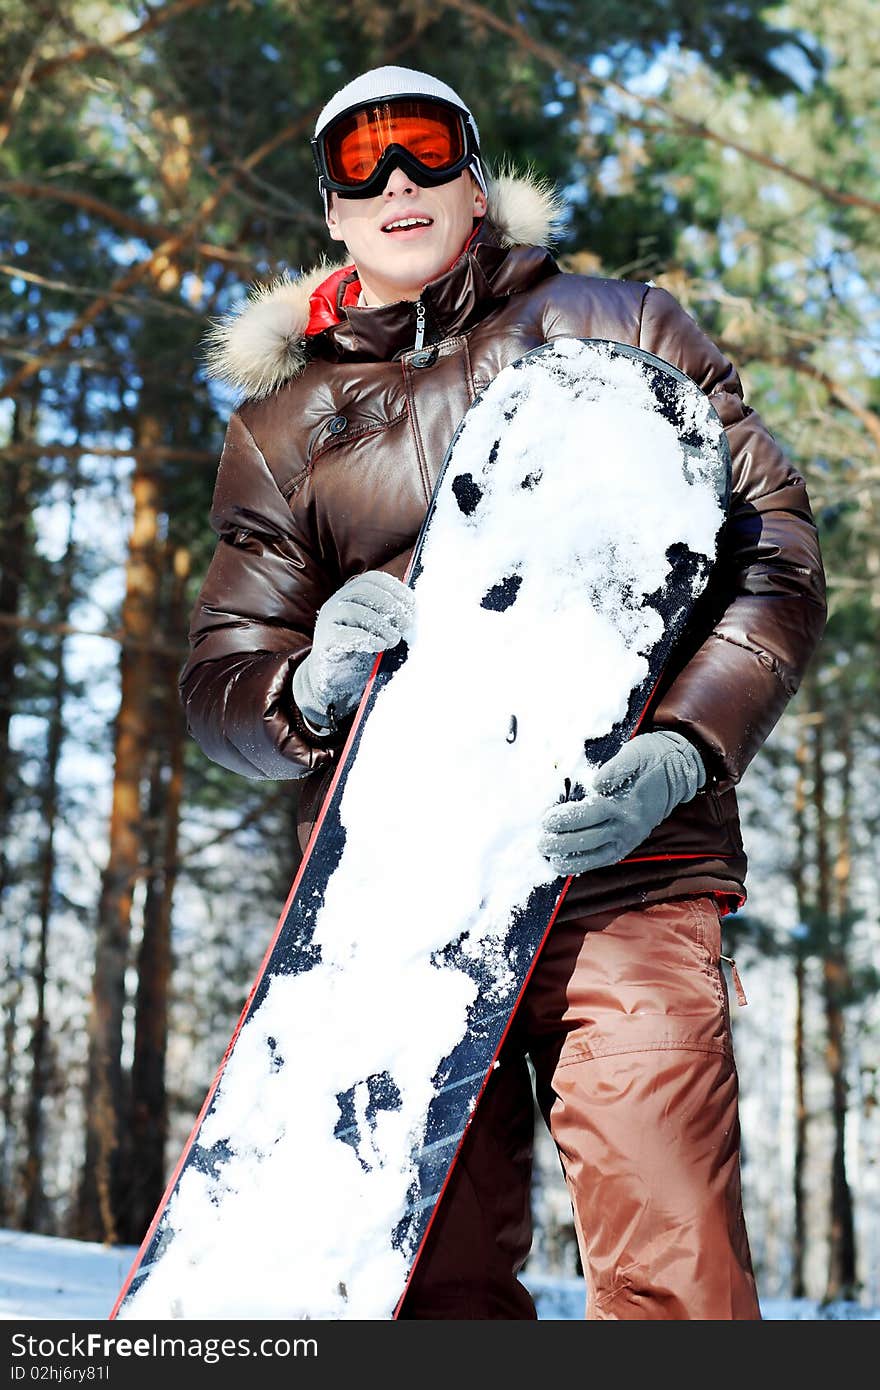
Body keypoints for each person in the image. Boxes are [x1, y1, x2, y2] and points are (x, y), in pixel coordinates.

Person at [180, 66, 826, 1319]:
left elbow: (775, 550)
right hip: (402, 908)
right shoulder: (283, 424)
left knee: (672, 1262)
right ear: (331, 211)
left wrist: (687, 747)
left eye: (423, 150)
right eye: (362, 166)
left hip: (623, 876)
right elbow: (221, 685)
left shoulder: (624, 324)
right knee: (428, 1283)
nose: (398, 182)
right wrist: (304, 683)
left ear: (476, 178)